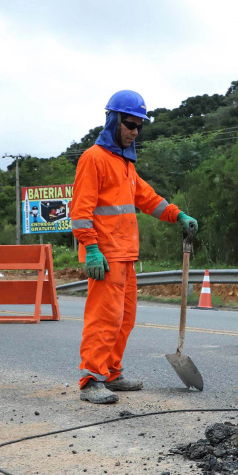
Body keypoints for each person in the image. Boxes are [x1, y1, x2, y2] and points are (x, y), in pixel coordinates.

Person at [71, 90, 199, 404]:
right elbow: (80, 212)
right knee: (104, 319)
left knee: (123, 320)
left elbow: (148, 199)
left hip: (126, 256)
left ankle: (112, 373)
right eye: (130, 124)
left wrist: (177, 214)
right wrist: (90, 249)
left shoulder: (125, 165)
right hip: (105, 256)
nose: (134, 131)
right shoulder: (94, 159)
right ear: (113, 121)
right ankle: (91, 379)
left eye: (139, 126)